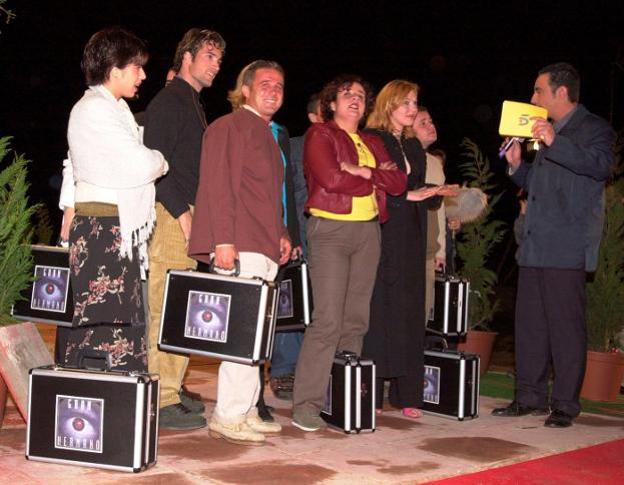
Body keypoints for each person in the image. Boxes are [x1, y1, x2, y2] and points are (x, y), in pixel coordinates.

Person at [492, 62, 615, 428]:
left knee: (565, 328)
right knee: (529, 326)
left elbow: (599, 166)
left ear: (561, 93)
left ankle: (564, 404)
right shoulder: (549, 133)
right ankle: (528, 397)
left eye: (538, 91)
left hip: (567, 246)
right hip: (534, 245)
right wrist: (517, 166)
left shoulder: (593, 128)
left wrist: (553, 141)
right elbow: (542, 184)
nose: (533, 99)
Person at [292, 75, 407, 432]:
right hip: (331, 229)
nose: (355, 99)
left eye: (360, 94)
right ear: (331, 103)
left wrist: (360, 170)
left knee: (356, 319)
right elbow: (330, 178)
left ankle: (341, 399)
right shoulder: (321, 135)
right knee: (327, 319)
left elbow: (400, 182)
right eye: (346, 94)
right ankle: (306, 404)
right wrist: (373, 176)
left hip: (369, 230)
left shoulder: (372, 141)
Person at [189, 60, 291, 445]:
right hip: (239, 244)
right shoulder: (228, 127)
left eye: (279, 85)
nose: (273, 90)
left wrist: (281, 233)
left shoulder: (267, 134)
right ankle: (227, 414)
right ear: (245, 89)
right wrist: (222, 241)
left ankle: (246, 409)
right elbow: (219, 187)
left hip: (263, 244)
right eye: (265, 83)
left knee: (255, 338)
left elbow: (267, 196)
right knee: (239, 335)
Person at [56, 27, 168, 371]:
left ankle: (118, 404)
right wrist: (159, 159)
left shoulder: (114, 110)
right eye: (137, 67)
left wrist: (148, 159)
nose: (143, 75)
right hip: (102, 230)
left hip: (115, 229)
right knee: (102, 324)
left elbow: (132, 162)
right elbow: (140, 164)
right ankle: (95, 402)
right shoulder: (93, 111)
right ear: (115, 68)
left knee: (119, 319)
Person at [143, 28, 225, 430]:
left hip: (190, 212)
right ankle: (160, 397)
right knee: (166, 305)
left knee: (182, 306)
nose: (216, 64)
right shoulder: (170, 99)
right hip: (173, 215)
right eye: (209, 55)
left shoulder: (192, 102)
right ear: (187, 56)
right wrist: (183, 213)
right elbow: (155, 165)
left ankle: (172, 385)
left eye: (219, 59)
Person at [363, 80, 456, 417]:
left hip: (412, 236)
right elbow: (374, 185)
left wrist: (435, 193)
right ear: (389, 104)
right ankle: (369, 393)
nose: (412, 109)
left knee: (410, 310)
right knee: (380, 309)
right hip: (384, 231)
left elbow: (414, 188)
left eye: (415, 102)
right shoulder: (373, 140)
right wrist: (409, 195)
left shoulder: (414, 146)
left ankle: (407, 395)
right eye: (406, 102)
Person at [269, 93, 323, 401]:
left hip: (327, 242)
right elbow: (285, 195)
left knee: (317, 310)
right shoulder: (294, 145)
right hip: (299, 239)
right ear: (314, 116)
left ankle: (311, 370)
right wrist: (292, 236)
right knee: (290, 306)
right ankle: (283, 370)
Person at [413, 108, 448, 321]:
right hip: (407, 251)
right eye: (423, 123)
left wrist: (441, 250)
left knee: (424, 313)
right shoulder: (403, 159)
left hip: (428, 251)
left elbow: (440, 209)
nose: (431, 126)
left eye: (431, 121)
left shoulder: (435, 164)